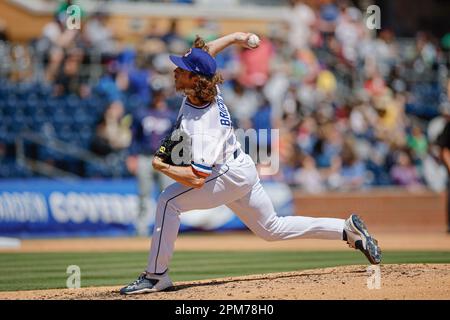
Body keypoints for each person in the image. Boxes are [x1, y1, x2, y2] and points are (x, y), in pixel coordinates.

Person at [120, 32, 381, 295]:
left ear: (195, 78)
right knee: (272, 229)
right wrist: (236, 37)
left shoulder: (202, 125)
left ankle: (156, 276)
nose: (176, 70)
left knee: (168, 201)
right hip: (239, 166)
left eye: (183, 69)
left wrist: (162, 166)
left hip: (225, 174)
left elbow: (197, 178)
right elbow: (206, 51)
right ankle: (345, 230)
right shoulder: (208, 86)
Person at [127, 88, 177, 236]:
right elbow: (134, 137)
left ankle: (167, 227)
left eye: (160, 94)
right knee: (143, 193)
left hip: (164, 158)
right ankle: (141, 228)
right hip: (145, 156)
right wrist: (132, 156)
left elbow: (175, 138)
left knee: (167, 194)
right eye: (156, 94)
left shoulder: (171, 115)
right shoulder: (141, 113)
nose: (158, 97)